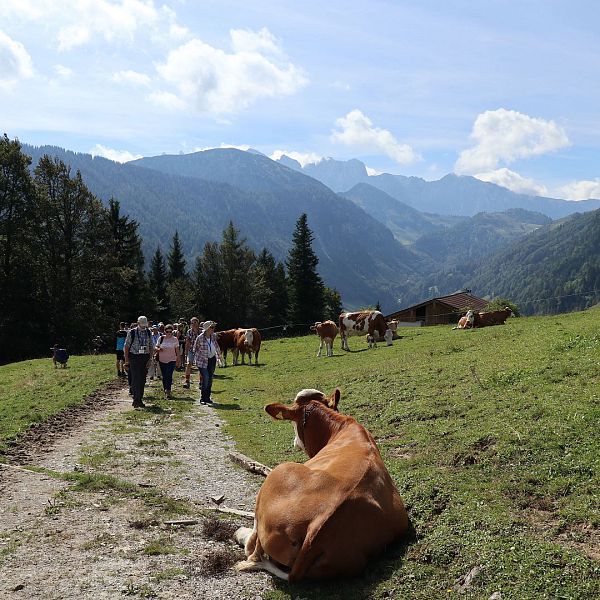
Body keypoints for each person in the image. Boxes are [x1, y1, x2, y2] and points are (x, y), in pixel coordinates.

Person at [123, 315, 154, 408]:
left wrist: (150, 359)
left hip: (145, 357)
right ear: (138, 323)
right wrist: (127, 360)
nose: (143, 327)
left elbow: (151, 346)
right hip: (134, 357)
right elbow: (126, 346)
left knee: (143, 379)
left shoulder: (148, 332)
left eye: (145, 325)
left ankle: (139, 398)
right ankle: (137, 400)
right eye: (142, 325)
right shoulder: (132, 332)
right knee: (136, 378)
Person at [193, 320, 221, 406]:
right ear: (206, 329)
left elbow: (216, 345)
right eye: (211, 327)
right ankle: (202, 398)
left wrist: (219, 356)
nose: (213, 329)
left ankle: (207, 398)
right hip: (202, 361)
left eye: (213, 327)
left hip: (211, 359)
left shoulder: (213, 336)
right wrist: (198, 358)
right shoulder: (200, 337)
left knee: (210, 379)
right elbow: (195, 348)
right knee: (206, 378)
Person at [154, 324, 180, 398]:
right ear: (164, 331)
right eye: (167, 331)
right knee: (164, 376)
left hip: (172, 360)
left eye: (170, 332)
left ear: (172, 332)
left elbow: (177, 351)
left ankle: (168, 390)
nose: (169, 333)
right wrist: (158, 349)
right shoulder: (161, 338)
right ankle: (165, 388)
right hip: (162, 360)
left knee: (169, 375)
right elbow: (156, 347)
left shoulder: (175, 339)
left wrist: (178, 360)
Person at [183, 317, 201, 389]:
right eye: (192, 323)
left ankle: (201, 381)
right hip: (191, 350)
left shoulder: (202, 331)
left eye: (195, 322)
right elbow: (187, 342)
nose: (193, 324)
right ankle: (187, 380)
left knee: (200, 366)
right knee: (189, 364)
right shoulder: (189, 331)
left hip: (200, 351)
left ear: (198, 323)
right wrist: (186, 352)